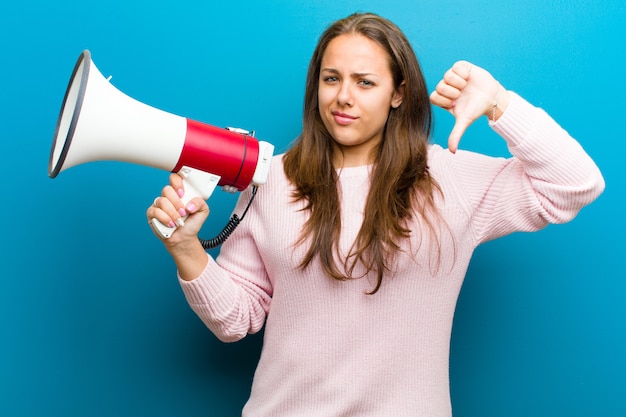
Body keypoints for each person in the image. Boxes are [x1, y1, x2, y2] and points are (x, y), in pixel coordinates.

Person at [146, 12, 604, 417]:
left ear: (398, 94)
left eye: (365, 82)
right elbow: (236, 320)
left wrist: (499, 103)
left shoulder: (448, 178)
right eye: (331, 79)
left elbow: (575, 184)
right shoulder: (272, 179)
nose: (343, 97)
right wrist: (186, 248)